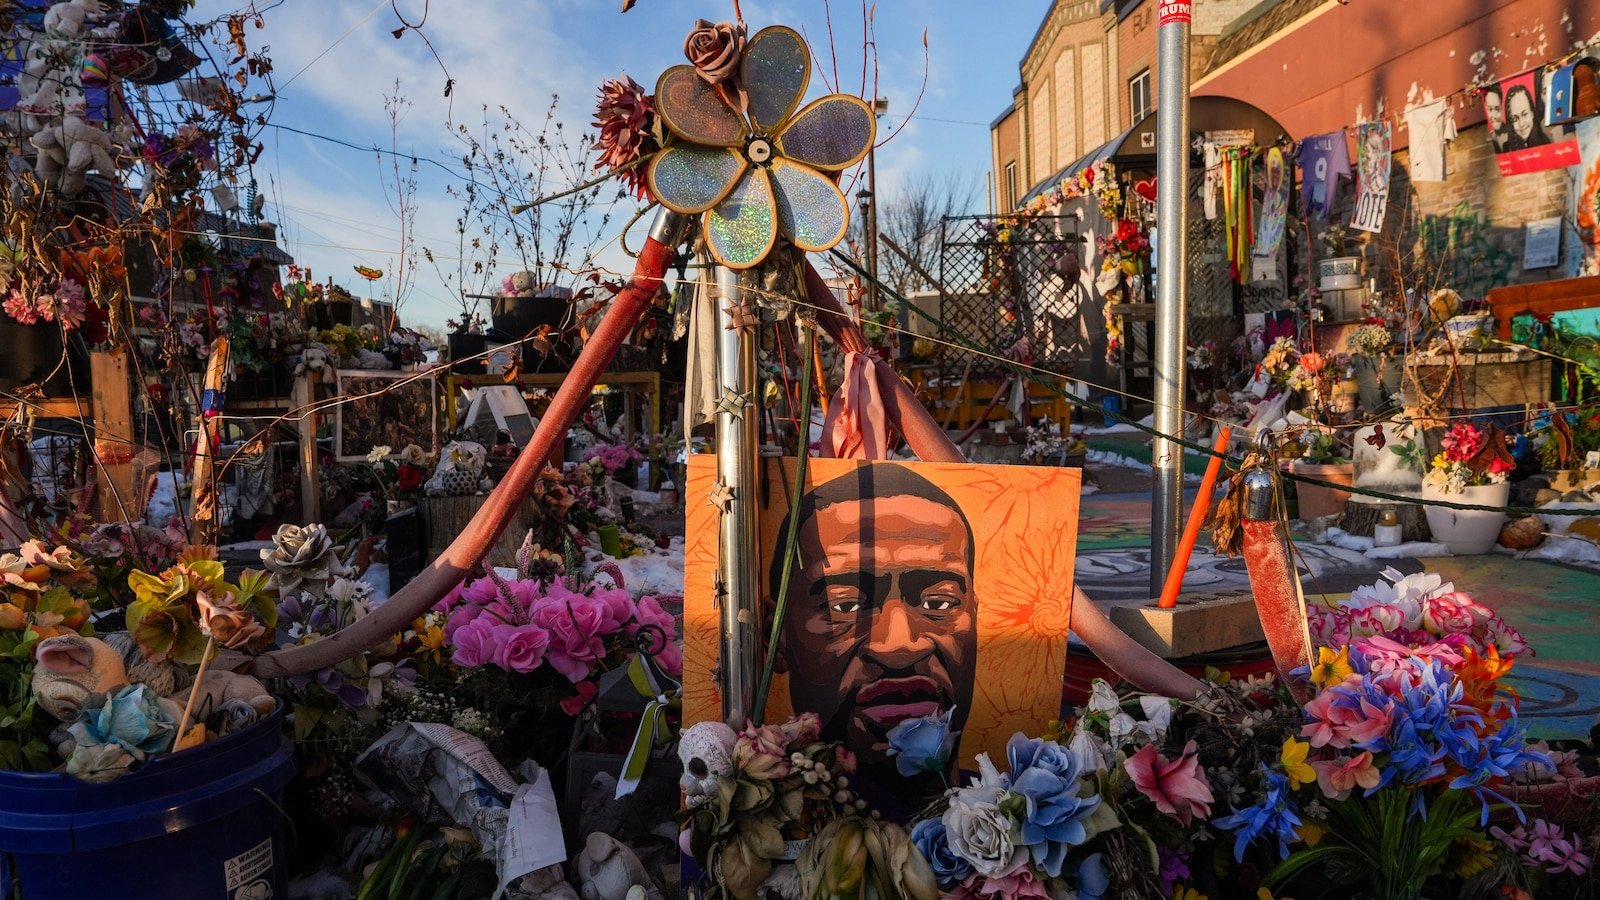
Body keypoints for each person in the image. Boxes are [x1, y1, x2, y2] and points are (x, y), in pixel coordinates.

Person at [769, 464, 977, 777]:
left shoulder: (1015, 806)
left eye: (938, 602)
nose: (899, 645)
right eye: (845, 606)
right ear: (776, 634)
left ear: (976, 615)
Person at [1504, 83, 1550, 151]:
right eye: (1515, 119)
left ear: (1532, 113)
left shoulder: (1545, 141)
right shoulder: (1506, 148)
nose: (1521, 124)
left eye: (1524, 114)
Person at [1483, 85, 1511, 153]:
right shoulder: (1492, 137)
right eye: (1490, 109)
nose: (1494, 116)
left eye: (1497, 109)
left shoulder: (1512, 135)